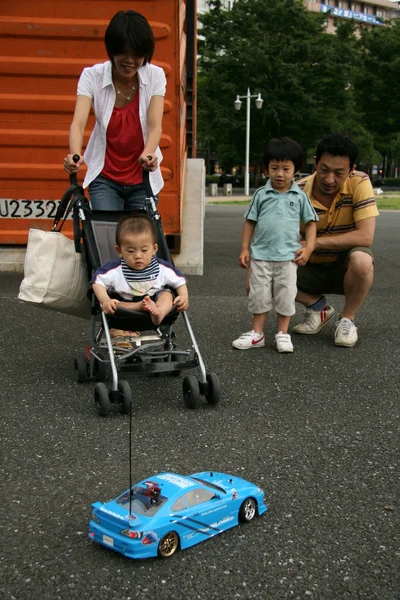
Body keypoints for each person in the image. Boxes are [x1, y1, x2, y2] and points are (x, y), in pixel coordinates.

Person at [63, 10, 165, 210]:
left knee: (138, 241)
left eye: (137, 54)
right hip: (105, 178)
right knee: (104, 237)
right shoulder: (92, 76)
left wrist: (149, 155)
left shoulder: (156, 76)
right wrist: (74, 156)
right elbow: (78, 123)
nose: (129, 61)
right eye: (123, 52)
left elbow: (155, 126)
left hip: (142, 180)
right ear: (112, 50)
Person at [232, 137, 318, 353]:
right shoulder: (261, 195)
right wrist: (245, 249)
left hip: (288, 258)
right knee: (258, 295)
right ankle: (257, 334)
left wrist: (308, 247)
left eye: (286, 169)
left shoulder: (300, 196)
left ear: (296, 170)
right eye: (274, 168)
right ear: (266, 168)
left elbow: (311, 223)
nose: (280, 174)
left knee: (286, 295)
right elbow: (250, 222)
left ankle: (282, 333)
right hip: (261, 256)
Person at [293, 132, 379, 347]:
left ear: (352, 170)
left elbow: (365, 236)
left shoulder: (360, 183)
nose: (330, 180)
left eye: (339, 173)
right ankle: (317, 308)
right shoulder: (298, 191)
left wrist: (313, 243)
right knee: (264, 268)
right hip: (308, 266)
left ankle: (347, 319)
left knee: (362, 260)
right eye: (324, 170)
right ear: (315, 162)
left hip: (344, 267)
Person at [91, 214, 189, 345]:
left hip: (155, 301)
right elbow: (97, 282)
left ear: (154, 249)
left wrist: (184, 297)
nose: (138, 256)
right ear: (119, 251)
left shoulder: (162, 268)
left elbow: (179, 281)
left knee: (167, 294)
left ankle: (159, 313)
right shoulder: (115, 270)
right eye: (130, 251)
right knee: (114, 304)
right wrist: (106, 300)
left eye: (144, 250)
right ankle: (140, 306)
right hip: (126, 308)